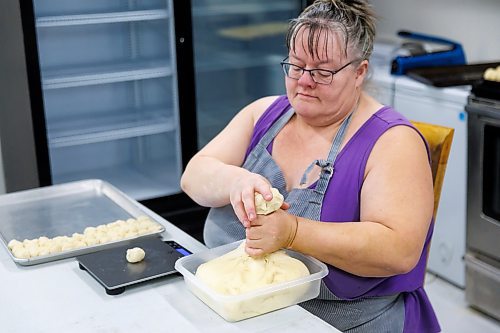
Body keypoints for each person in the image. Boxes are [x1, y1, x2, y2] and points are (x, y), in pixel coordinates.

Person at [181, 0, 440, 331]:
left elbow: (398, 251)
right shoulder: (264, 114)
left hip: (342, 323)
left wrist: (292, 231)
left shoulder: (392, 141)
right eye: (296, 66)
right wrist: (234, 181)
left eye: (322, 72)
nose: (304, 81)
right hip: (238, 313)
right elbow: (194, 176)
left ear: (359, 72)